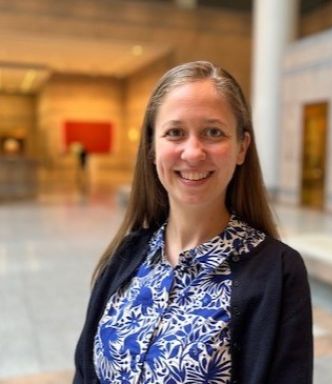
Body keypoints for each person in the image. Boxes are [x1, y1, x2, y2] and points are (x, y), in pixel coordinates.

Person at [73, 61, 313, 384]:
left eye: (213, 132)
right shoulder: (127, 255)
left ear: (242, 147)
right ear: (151, 147)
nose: (193, 152)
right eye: (175, 133)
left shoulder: (278, 273)